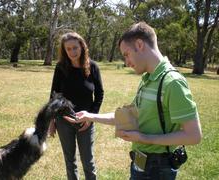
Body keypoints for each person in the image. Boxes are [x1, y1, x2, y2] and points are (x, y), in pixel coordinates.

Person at [64, 22, 202, 180]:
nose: (127, 62)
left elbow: (193, 136)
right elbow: (130, 117)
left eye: (126, 54)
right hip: (140, 163)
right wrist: (90, 116)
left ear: (139, 44)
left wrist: (144, 138)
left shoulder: (172, 82)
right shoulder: (147, 79)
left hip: (158, 168)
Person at [48, 32, 104, 180]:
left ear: (82, 47)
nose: (72, 52)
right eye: (68, 49)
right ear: (64, 50)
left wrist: (91, 117)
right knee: (70, 161)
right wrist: (52, 121)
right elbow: (54, 95)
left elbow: (99, 94)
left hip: (85, 121)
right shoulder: (60, 67)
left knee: (88, 161)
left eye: (75, 47)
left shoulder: (92, 67)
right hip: (63, 120)